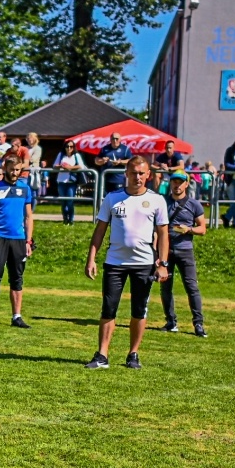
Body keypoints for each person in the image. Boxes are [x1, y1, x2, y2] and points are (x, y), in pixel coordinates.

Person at [84, 155, 169, 371]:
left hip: (144, 263)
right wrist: (91, 258)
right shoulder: (112, 198)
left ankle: (133, 354)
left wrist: (163, 264)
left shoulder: (157, 200)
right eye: (133, 173)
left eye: (141, 173)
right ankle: (102, 355)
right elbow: (99, 231)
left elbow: (163, 234)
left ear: (148, 175)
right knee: (108, 308)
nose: (137, 177)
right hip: (115, 263)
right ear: (126, 174)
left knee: (139, 310)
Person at [0, 154, 36, 330]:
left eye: (18, 170)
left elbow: (29, 216)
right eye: (12, 170)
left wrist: (28, 241)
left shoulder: (25, 189)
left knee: (17, 278)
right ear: (5, 169)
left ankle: (16, 316)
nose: (15, 173)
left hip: (18, 239)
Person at [161, 170, 207, 337]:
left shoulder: (194, 204)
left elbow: (202, 229)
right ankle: (170, 321)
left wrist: (189, 229)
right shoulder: (162, 202)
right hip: (166, 250)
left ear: (187, 184)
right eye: (174, 181)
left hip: (185, 250)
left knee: (191, 287)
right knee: (165, 287)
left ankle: (198, 324)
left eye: (180, 182)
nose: (177, 185)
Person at [51, 139, 85, 225]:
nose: (69, 148)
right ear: (64, 147)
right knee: (63, 201)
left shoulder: (76, 155)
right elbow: (54, 166)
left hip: (72, 181)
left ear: (74, 147)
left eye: (71, 146)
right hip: (61, 180)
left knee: (70, 201)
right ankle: (65, 219)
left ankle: (71, 219)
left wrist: (70, 168)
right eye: (67, 146)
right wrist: (61, 166)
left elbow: (81, 166)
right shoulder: (61, 154)